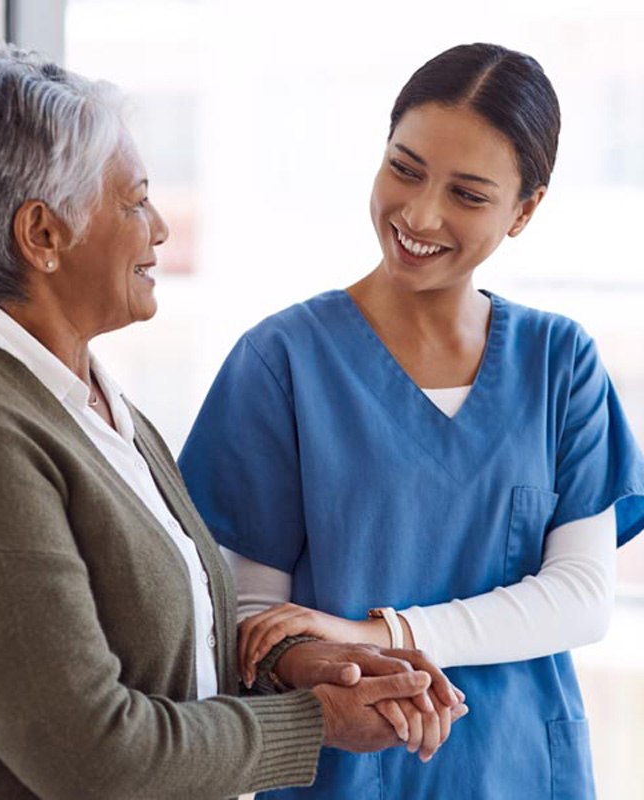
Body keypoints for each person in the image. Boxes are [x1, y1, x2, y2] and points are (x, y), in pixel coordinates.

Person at [0, 43, 469, 800]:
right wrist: (316, 721)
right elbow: (91, 755)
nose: (161, 228)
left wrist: (293, 663)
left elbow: (152, 637)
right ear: (42, 236)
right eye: (134, 201)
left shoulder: (81, 395)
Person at [179, 43, 644, 800]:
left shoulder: (560, 364)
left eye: (468, 194)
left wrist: (381, 634)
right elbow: (256, 618)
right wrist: (326, 658)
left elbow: (582, 597)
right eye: (405, 168)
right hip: (345, 775)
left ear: (525, 210)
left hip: (524, 772)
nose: (420, 214)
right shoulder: (281, 362)